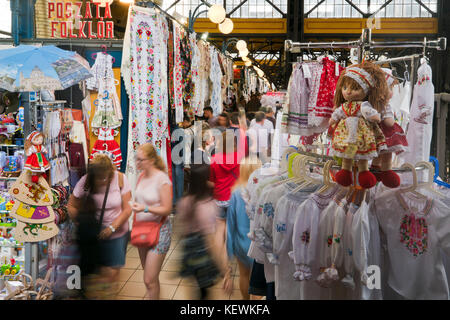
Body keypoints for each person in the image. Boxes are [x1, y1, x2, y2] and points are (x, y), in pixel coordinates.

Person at [68, 154, 132, 297]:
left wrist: (112, 227)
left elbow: (127, 209)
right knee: (96, 271)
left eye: (105, 176)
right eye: (99, 177)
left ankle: (110, 294)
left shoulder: (120, 179)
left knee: (113, 270)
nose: (103, 180)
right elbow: (71, 205)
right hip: (93, 235)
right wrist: (81, 223)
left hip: (117, 232)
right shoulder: (85, 182)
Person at [177, 164, 229, 299]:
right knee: (204, 290)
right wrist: (224, 271)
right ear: (205, 181)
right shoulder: (209, 206)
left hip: (189, 251)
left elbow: (181, 229)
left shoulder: (184, 202)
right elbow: (212, 242)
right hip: (203, 254)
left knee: (193, 287)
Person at [130, 143, 173, 300]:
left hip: (160, 231)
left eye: (141, 160)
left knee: (149, 279)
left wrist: (145, 208)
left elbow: (167, 209)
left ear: (151, 160)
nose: (137, 163)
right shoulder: (141, 176)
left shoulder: (162, 179)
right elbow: (139, 199)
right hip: (143, 229)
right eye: (137, 159)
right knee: (149, 279)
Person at [209, 129, 246, 286]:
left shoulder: (214, 159)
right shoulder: (240, 159)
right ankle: (241, 266)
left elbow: (211, 182)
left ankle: (225, 270)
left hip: (219, 200)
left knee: (219, 235)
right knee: (236, 233)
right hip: (235, 200)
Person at [225, 156, 262, 299]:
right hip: (259, 242)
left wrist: (228, 252)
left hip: (241, 243)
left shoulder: (235, 193)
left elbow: (230, 224)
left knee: (244, 275)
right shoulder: (263, 192)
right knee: (258, 280)